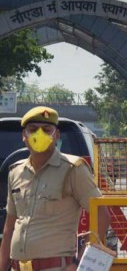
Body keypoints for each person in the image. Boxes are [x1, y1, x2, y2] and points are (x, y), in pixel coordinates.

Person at [0, 106, 110, 271]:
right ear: (24, 136)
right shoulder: (15, 171)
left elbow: (101, 214)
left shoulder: (73, 169)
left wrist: (80, 261)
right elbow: (9, 228)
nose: (40, 134)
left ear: (56, 135)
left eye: (46, 130)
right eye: (33, 129)